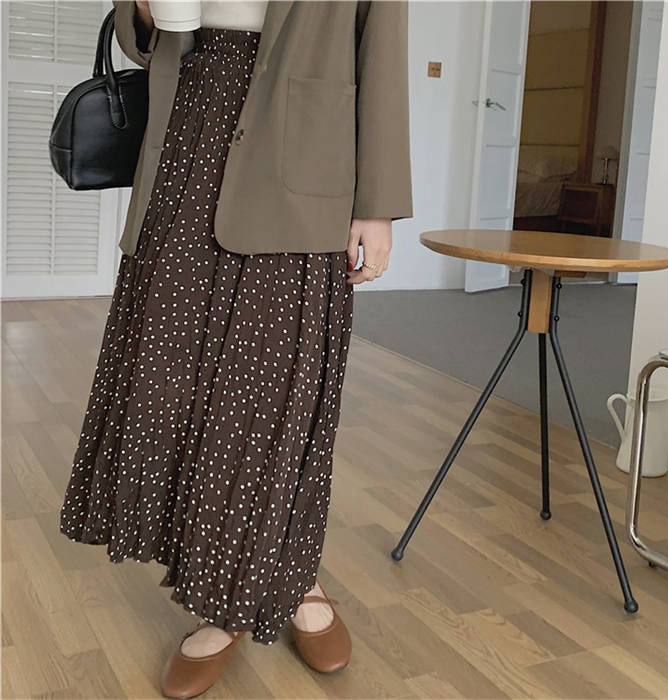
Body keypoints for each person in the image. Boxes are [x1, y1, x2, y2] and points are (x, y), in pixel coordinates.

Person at [59, 0, 412, 697]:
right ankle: (230, 584)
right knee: (171, 380)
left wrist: (377, 205)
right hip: (190, 132)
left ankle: (273, 587)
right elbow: (141, 37)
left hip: (304, 151)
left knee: (275, 394)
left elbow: (383, 48)